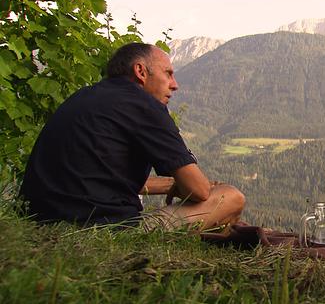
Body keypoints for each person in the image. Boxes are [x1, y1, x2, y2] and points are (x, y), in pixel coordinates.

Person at [19, 43, 245, 230]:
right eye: (168, 73)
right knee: (230, 197)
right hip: (105, 227)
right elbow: (200, 191)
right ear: (140, 71)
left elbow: (102, 176)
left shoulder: (83, 98)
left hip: (37, 218)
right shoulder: (145, 106)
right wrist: (189, 184)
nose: (174, 85)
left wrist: (171, 184)